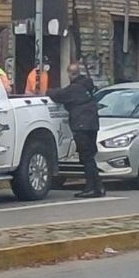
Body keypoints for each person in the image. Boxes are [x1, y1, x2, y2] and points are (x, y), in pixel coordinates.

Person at [47, 63, 104, 199]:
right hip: (92, 124)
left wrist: (46, 91)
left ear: (71, 74)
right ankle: (98, 187)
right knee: (90, 156)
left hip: (81, 124)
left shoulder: (74, 88)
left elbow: (58, 95)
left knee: (86, 157)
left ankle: (91, 188)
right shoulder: (88, 86)